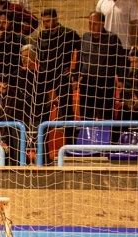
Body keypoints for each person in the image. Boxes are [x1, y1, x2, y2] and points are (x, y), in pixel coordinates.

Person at [36, 8, 80, 146]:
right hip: (45, 78)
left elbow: (81, 51)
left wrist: (75, 71)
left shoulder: (69, 34)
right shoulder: (42, 35)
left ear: (55, 19)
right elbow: (39, 58)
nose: (46, 24)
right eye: (44, 22)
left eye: (48, 21)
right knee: (42, 112)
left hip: (62, 77)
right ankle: (41, 148)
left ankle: (70, 147)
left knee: (67, 112)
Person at [77, 11, 127, 121]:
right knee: (86, 115)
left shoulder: (112, 38)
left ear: (102, 23)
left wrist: (121, 79)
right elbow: (80, 58)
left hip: (105, 82)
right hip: (87, 82)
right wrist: (77, 76)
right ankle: (87, 132)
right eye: (90, 23)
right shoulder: (85, 37)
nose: (91, 26)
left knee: (106, 115)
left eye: (95, 24)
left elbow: (121, 59)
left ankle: (107, 132)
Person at [0, 10, 25, 81]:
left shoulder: (19, 39)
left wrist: (2, 63)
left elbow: (21, 60)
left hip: (13, 71)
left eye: (4, 23)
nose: (0, 26)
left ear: (11, 23)